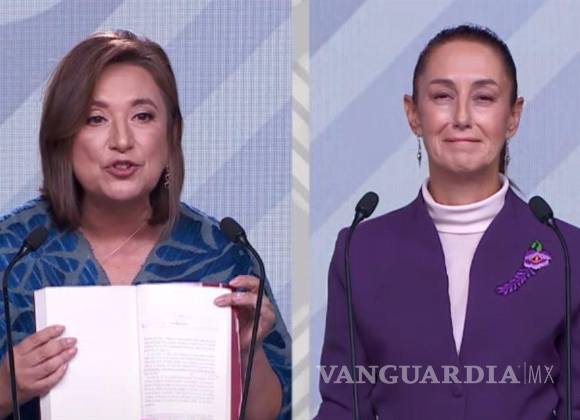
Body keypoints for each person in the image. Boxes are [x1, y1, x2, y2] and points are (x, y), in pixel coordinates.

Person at [0, 30, 291, 420]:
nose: (121, 140)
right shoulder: (12, 251)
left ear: (172, 134)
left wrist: (246, 352)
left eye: (142, 116)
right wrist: (6, 387)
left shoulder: (224, 254)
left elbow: (273, 414)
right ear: (62, 137)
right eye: (95, 118)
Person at [315, 25, 580, 419]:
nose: (461, 117)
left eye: (484, 98)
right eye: (442, 96)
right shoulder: (360, 250)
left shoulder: (566, 250)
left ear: (513, 116)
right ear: (413, 114)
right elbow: (342, 405)